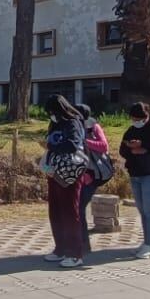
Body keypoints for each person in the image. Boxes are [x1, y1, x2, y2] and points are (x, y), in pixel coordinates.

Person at [43, 96, 91, 267]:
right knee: (55, 210)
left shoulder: (73, 122)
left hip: (70, 171)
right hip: (53, 170)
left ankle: (75, 253)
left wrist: (51, 147)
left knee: (70, 212)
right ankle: (60, 248)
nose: (51, 116)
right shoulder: (55, 123)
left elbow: (73, 144)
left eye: (52, 112)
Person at [119, 103, 150, 259]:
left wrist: (144, 147)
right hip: (135, 174)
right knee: (142, 211)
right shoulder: (132, 130)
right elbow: (123, 149)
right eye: (134, 118)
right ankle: (146, 242)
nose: (137, 121)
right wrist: (131, 148)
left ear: (147, 116)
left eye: (140, 118)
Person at [75, 103, 109, 254]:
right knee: (75, 209)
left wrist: (84, 141)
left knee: (79, 208)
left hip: (92, 174)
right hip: (78, 173)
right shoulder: (73, 126)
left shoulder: (93, 126)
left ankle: (83, 244)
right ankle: (77, 242)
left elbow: (103, 146)